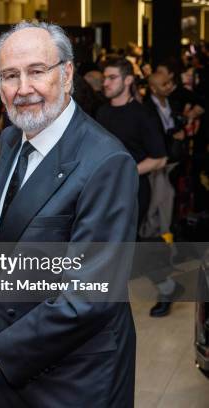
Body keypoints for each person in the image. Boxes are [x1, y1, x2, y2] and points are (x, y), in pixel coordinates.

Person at [0, 21, 138, 407]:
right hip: (11, 360)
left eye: (36, 71)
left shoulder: (107, 162)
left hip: (74, 376)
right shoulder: (12, 139)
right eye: (10, 76)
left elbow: (89, 295)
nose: (23, 88)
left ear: (66, 74)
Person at [96, 59, 182, 318]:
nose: (106, 83)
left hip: (133, 191)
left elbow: (159, 158)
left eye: (111, 78)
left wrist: (126, 172)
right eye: (105, 78)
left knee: (132, 246)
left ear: (128, 80)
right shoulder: (101, 112)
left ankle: (167, 287)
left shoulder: (142, 114)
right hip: (105, 191)